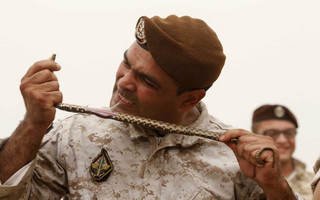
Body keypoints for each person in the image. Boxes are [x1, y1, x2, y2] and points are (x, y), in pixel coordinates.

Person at [0, 15, 302, 199]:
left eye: (146, 80)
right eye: (126, 63)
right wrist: (33, 123)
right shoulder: (77, 134)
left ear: (189, 99)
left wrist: (277, 188)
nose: (124, 83)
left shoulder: (236, 159)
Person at [251, 104, 314, 199]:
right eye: (272, 133)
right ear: (255, 136)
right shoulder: (243, 180)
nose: (282, 140)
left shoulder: (314, 183)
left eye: (289, 133)